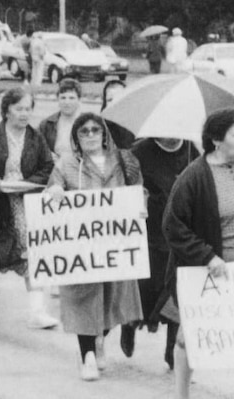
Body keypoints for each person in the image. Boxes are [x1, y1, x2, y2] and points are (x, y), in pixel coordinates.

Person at [162, 108, 234, 399]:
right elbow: (173, 226)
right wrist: (207, 257)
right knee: (188, 339)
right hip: (209, 274)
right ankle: (181, 393)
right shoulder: (194, 177)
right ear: (216, 140)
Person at [45, 113, 143, 381]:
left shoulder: (124, 160)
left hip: (115, 245)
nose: (90, 135)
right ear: (76, 137)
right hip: (81, 247)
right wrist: (54, 190)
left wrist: (140, 207)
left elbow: (138, 189)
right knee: (82, 299)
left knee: (112, 298)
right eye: (83, 132)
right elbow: (52, 189)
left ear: (104, 134)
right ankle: (87, 354)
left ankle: (100, 336)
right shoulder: (67, 163)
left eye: (94, 130)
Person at [0, 88, 58, 327]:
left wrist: (29, 184)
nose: (24, 114)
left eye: (28, 109)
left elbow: (47, 167)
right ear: (7, 110)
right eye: (19, 108)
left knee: (32, 253)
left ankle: (36, 312)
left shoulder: (36, 138)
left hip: (26, 204)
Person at [125, 136, 199, 369]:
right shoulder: (140, 151)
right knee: (146, 288)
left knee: (177, 291)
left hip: (179, 231)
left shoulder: (190, 150)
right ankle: (130, 323)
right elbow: (125, 184)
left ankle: (172, 350)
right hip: (148, 231)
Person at [39, 78, 83, 163]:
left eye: (71, 98)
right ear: (57, 99)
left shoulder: (88, 124)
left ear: (79, 99)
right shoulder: (47, 124)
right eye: (63, 98)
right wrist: (47, 156)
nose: (67, 102)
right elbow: (35, 147)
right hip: (54, 171)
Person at [100, 80, 135, 150]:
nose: (114, 103)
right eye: (110, 100)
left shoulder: (137, 128)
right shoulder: (100, 130)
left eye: (119, 98)